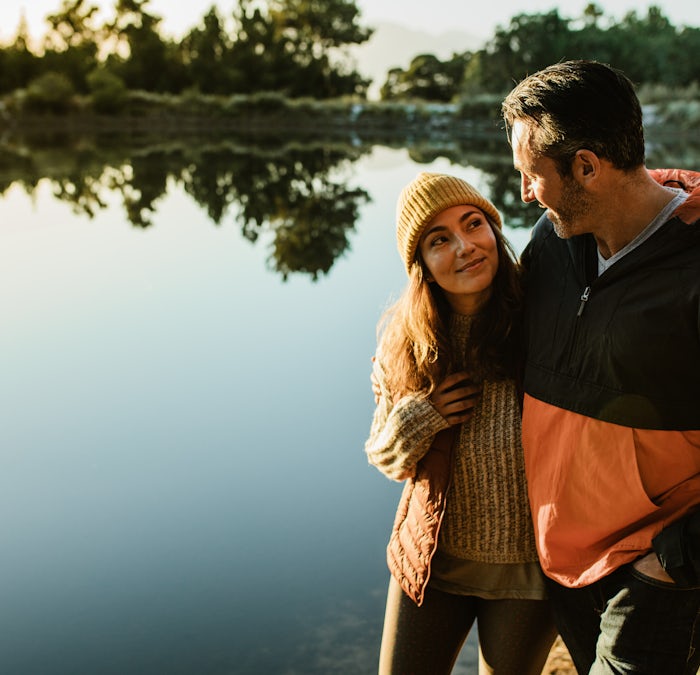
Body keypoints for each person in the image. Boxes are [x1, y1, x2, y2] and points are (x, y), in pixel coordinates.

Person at [501, 59, 700, 674]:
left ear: (586, 165)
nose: (526, 194)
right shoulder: (552, 244)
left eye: (533, 177)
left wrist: (671, 561)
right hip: (565, 562)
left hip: (655, 572)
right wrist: (403, 362)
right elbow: (493, 338)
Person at [364, 172, 557, 675]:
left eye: (474, 224)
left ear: (494, 230)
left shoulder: (543, 319)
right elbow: (384, 456)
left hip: (527, 572)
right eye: (439, 240)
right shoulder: (405, 344)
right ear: (422, 265)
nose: (465, 246)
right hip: (433, 561)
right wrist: (422, 414)